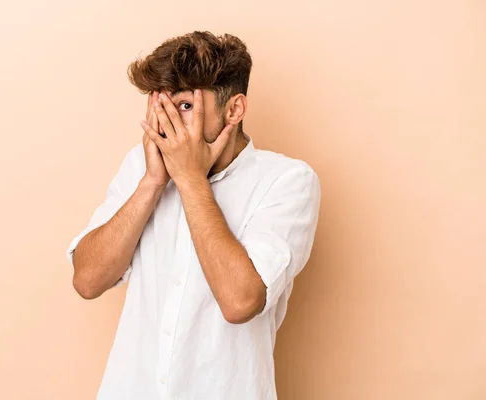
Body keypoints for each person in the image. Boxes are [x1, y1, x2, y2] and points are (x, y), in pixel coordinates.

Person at [66, 31, 321, 400]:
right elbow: (87, 281)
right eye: (162, 106)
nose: (167, 124)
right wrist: (153, 182)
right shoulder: (142, 166)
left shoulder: (287, 181)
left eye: (185, 106)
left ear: (234, 110)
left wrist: (189, 178)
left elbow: (239, 302)